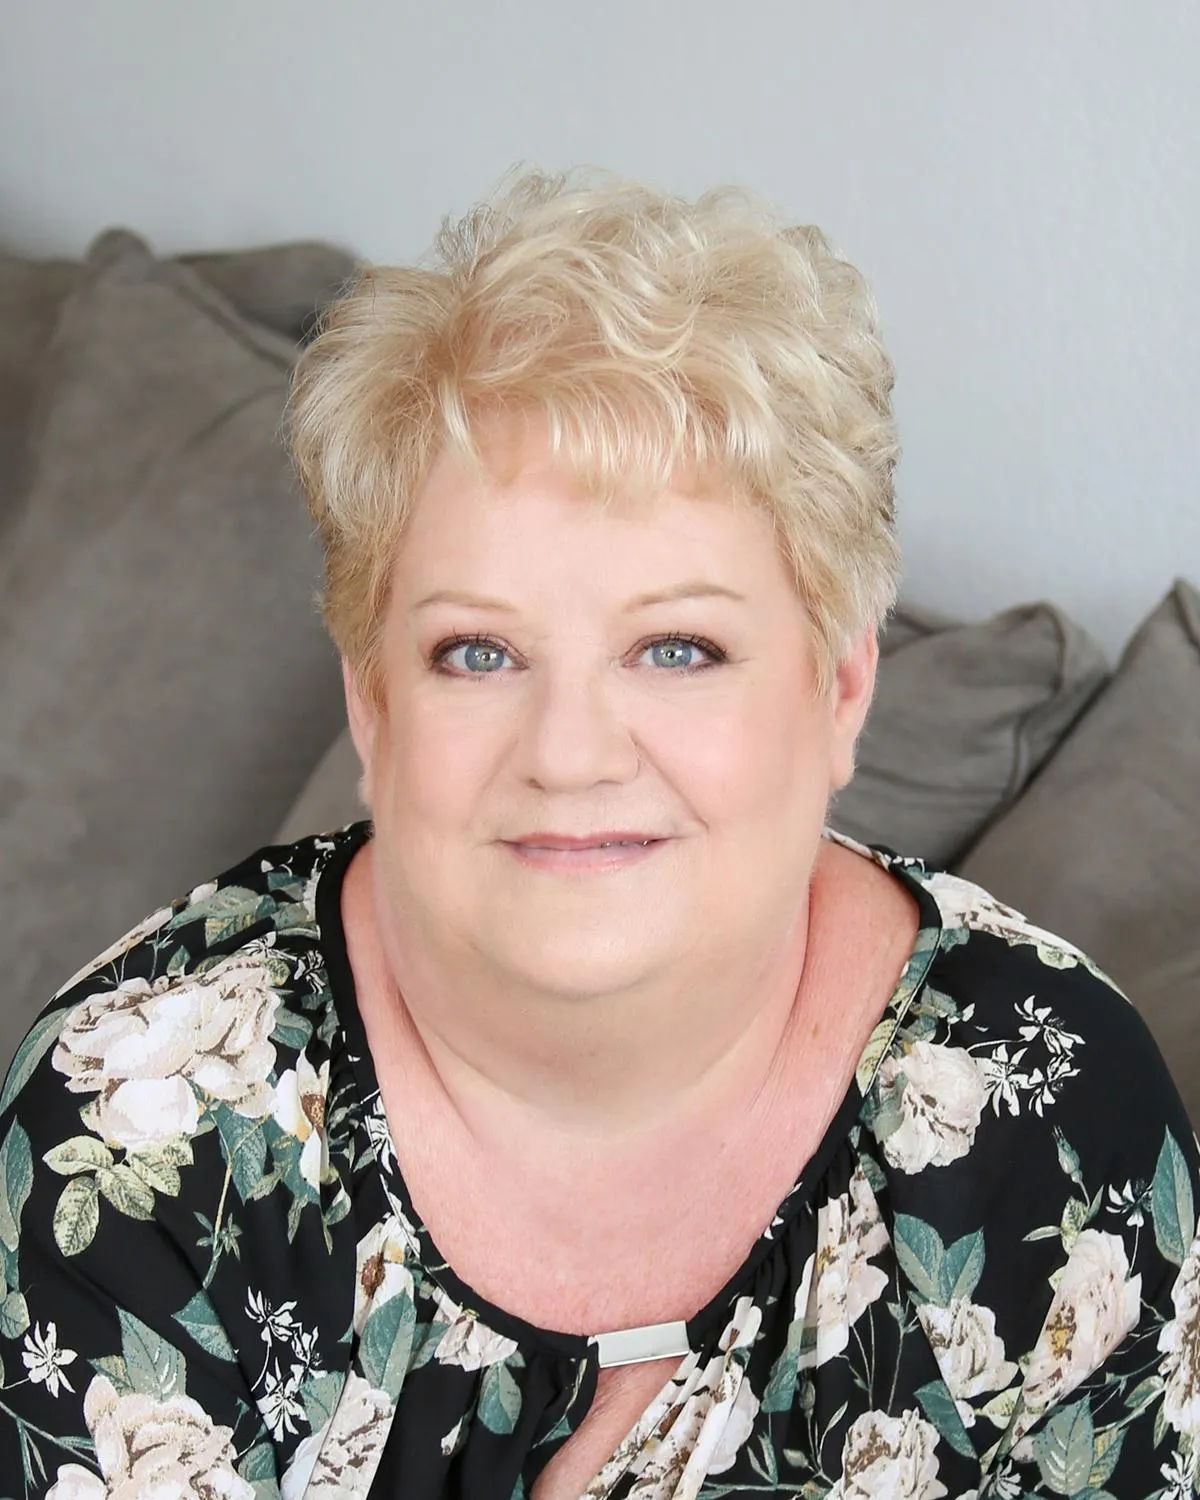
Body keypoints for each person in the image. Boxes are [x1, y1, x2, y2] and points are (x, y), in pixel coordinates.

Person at [0, 171, 1196, 1500]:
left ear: (840, 690)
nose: (570, 753)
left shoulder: (1056, 1127)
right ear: (373, 704)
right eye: (478, 651)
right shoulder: (128, 1136)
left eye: (677, 647)